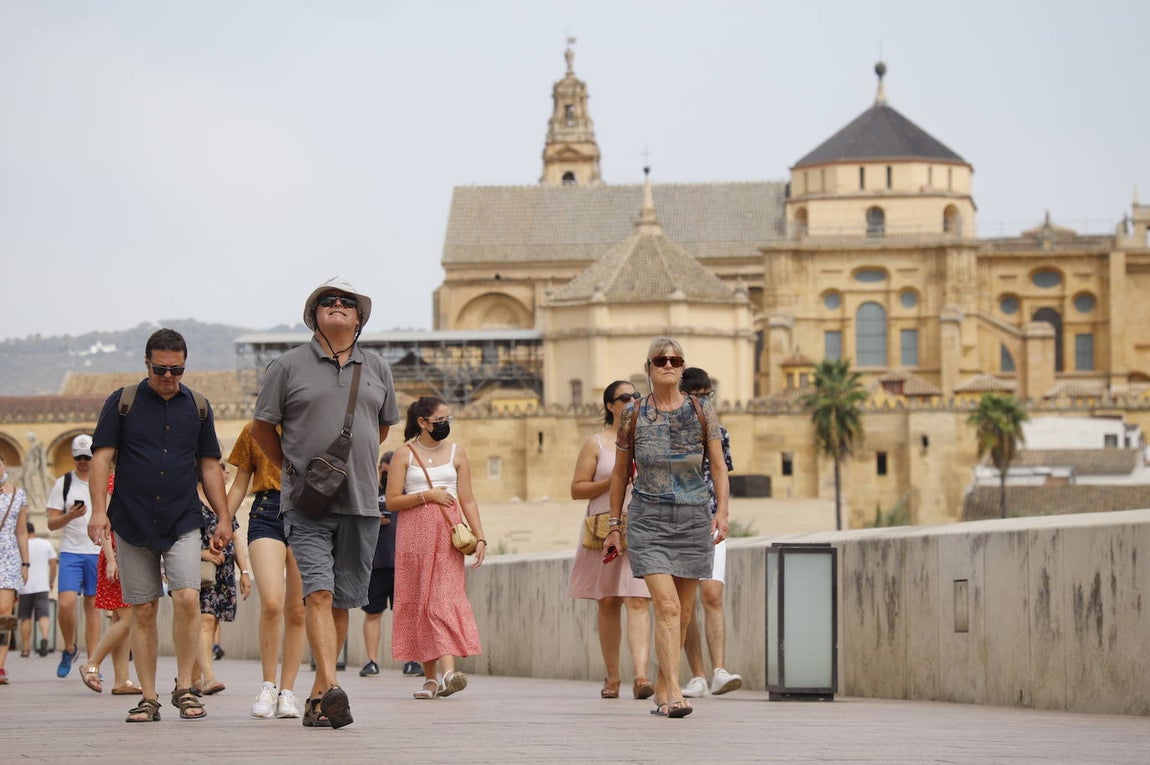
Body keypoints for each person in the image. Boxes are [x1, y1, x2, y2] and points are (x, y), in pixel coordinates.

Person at [252, 277, 400, 729]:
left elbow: (382, 428)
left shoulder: (378, 367)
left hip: (361, 502)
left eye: (346, 302)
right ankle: (334, 688)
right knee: (317, 592)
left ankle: (319, 698)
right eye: (328, 301)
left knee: (341, 602)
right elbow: (262, 429)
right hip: (307, 505)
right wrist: (292, 470)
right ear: (313, 315)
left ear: (358, 318)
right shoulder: (287, 366)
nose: (337, 305)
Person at [87, 328, 233, 723]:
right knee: (144, 608)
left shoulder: (198, 406)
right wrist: (98, 511)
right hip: (131, 518)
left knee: (186, 597)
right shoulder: (123, 402)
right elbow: (101, 458)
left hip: (182, 516)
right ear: (147, 363)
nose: (169, 376)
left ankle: (184, 686)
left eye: (177, 370)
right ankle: (148, 697)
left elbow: (209, 465)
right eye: (161, 369)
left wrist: (223, 516)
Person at [607, 337, 729, 718]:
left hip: (693, 519)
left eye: (675, 360)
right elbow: (620, 473)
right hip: (649, 519)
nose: (668, 365)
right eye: (660, 360)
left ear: (682, 366)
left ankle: (661, 687)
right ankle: (674, 693)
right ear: (648, 368)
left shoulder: (702, 410)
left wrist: (722, 512)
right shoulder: (633, 414)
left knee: (684, 614)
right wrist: (614, 525)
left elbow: (718, 467)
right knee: (668, 606)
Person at [387, 396, 485, 700]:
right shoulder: (404, 454)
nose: (445, 424)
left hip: (447, 535)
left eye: (447, 419)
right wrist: (426, 496)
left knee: (441, 599)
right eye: (440, 420)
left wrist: (480, 537)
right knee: (420, 601)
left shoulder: (458, 452)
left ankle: (449, 673)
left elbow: (467, 499)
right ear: (422, 422)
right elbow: (392, 501)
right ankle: (430, 679)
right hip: (413, 536)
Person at [567, 380, 653, 700]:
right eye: (624, 397)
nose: (632, 401)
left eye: (636, 396)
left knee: (638, 599)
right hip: (605, 529)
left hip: (641, 526)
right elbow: (577, 489)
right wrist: (614, 480)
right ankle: (613, 677)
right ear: (610, 405)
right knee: (608, 600)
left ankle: (641, 676)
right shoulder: (596, 444)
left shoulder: (647, 439)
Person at [226, 420, 306, 719]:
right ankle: (268, 685)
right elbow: (240, 482)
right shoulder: (254, 430)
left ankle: (288, 691)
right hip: (266, 511)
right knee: (272, 602)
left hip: (308, 512)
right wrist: (224, 521)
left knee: (297, 609)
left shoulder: (312, 423)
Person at [678, 367, 742, 699]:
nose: (704, 402)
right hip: (679, 522)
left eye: (708, 396)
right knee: (686, 603)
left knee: (713, 595)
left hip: (711, 522)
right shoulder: (668, 432)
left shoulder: (720, 432)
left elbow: (721, 473)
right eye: (698, 396)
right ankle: (697, 676)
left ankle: (719, 671)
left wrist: (723, 513)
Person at [79, 472, 143, 696]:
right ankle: (91, 664)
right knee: (128, 619)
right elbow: (105, 523)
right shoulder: (114, 480)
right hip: (118, 553)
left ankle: (121, 679)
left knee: (121, 617)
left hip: (129, 551)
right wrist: (111, 559)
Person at [190, 459, 249, 697]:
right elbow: (178, 536)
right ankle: (209, 677)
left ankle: (192, 678)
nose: (225, 472)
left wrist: (245, 572)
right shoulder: (189, 499)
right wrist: (202, 552)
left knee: (212, 622)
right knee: (205, 620)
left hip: (224, 571)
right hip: (199, 570)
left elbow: (235, 538)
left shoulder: (223, 502)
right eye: (221, 467)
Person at [45, 434, 102, 678]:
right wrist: (70, 516)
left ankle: (92, 663)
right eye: (79, 457)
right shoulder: (64, 483)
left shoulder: (102, 481)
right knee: (66, 604)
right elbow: (51, 523)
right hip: (71, 550)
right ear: (73, 457)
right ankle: (69, 648)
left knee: (93, 607)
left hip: (96, 551)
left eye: (87, 457)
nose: (83, 462)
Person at [360, 451, 396, 678]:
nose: (388, 478)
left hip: (402, 563)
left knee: (406, 614)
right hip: (375, 563)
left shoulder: (407, 494)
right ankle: (372, 660)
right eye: (385, 473)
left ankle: (412, 660)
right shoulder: (369, 494)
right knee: (373, 613)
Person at [0, 455, 30, 684]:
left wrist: (25, 563)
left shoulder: (18, 494)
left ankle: (0, 664)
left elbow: (21, 531)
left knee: (4, 611)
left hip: (8, 556)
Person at [18, 521, 57, 658]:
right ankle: (45, 638)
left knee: (25, 617)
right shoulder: (45, 543)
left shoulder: (20, 545)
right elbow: (53, 564)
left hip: (25, 586)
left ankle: (25, 649)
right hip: (42, 586)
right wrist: (51, 581)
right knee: (43, 615)